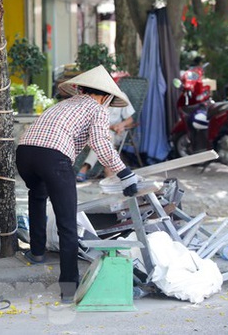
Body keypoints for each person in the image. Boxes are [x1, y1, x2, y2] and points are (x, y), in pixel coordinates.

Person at [15, 65, 138, 303]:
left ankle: (37, 252)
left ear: (80, 89)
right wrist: (125, 173)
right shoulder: (98, 109)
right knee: (67, 222)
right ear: (106, 96)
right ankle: (69, 287)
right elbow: (101, 143)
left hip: (24, 154)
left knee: (37, 195)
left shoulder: (62, 105)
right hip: (53, 157)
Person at [76, 96, 135, 181]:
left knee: (103, 137)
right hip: (97, 131)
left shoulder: (121, 96)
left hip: (114, 133)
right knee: (102, 137)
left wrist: (121, 125)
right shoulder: (96, 95)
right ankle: (108, 171)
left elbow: (130, 120)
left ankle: (85, 168)